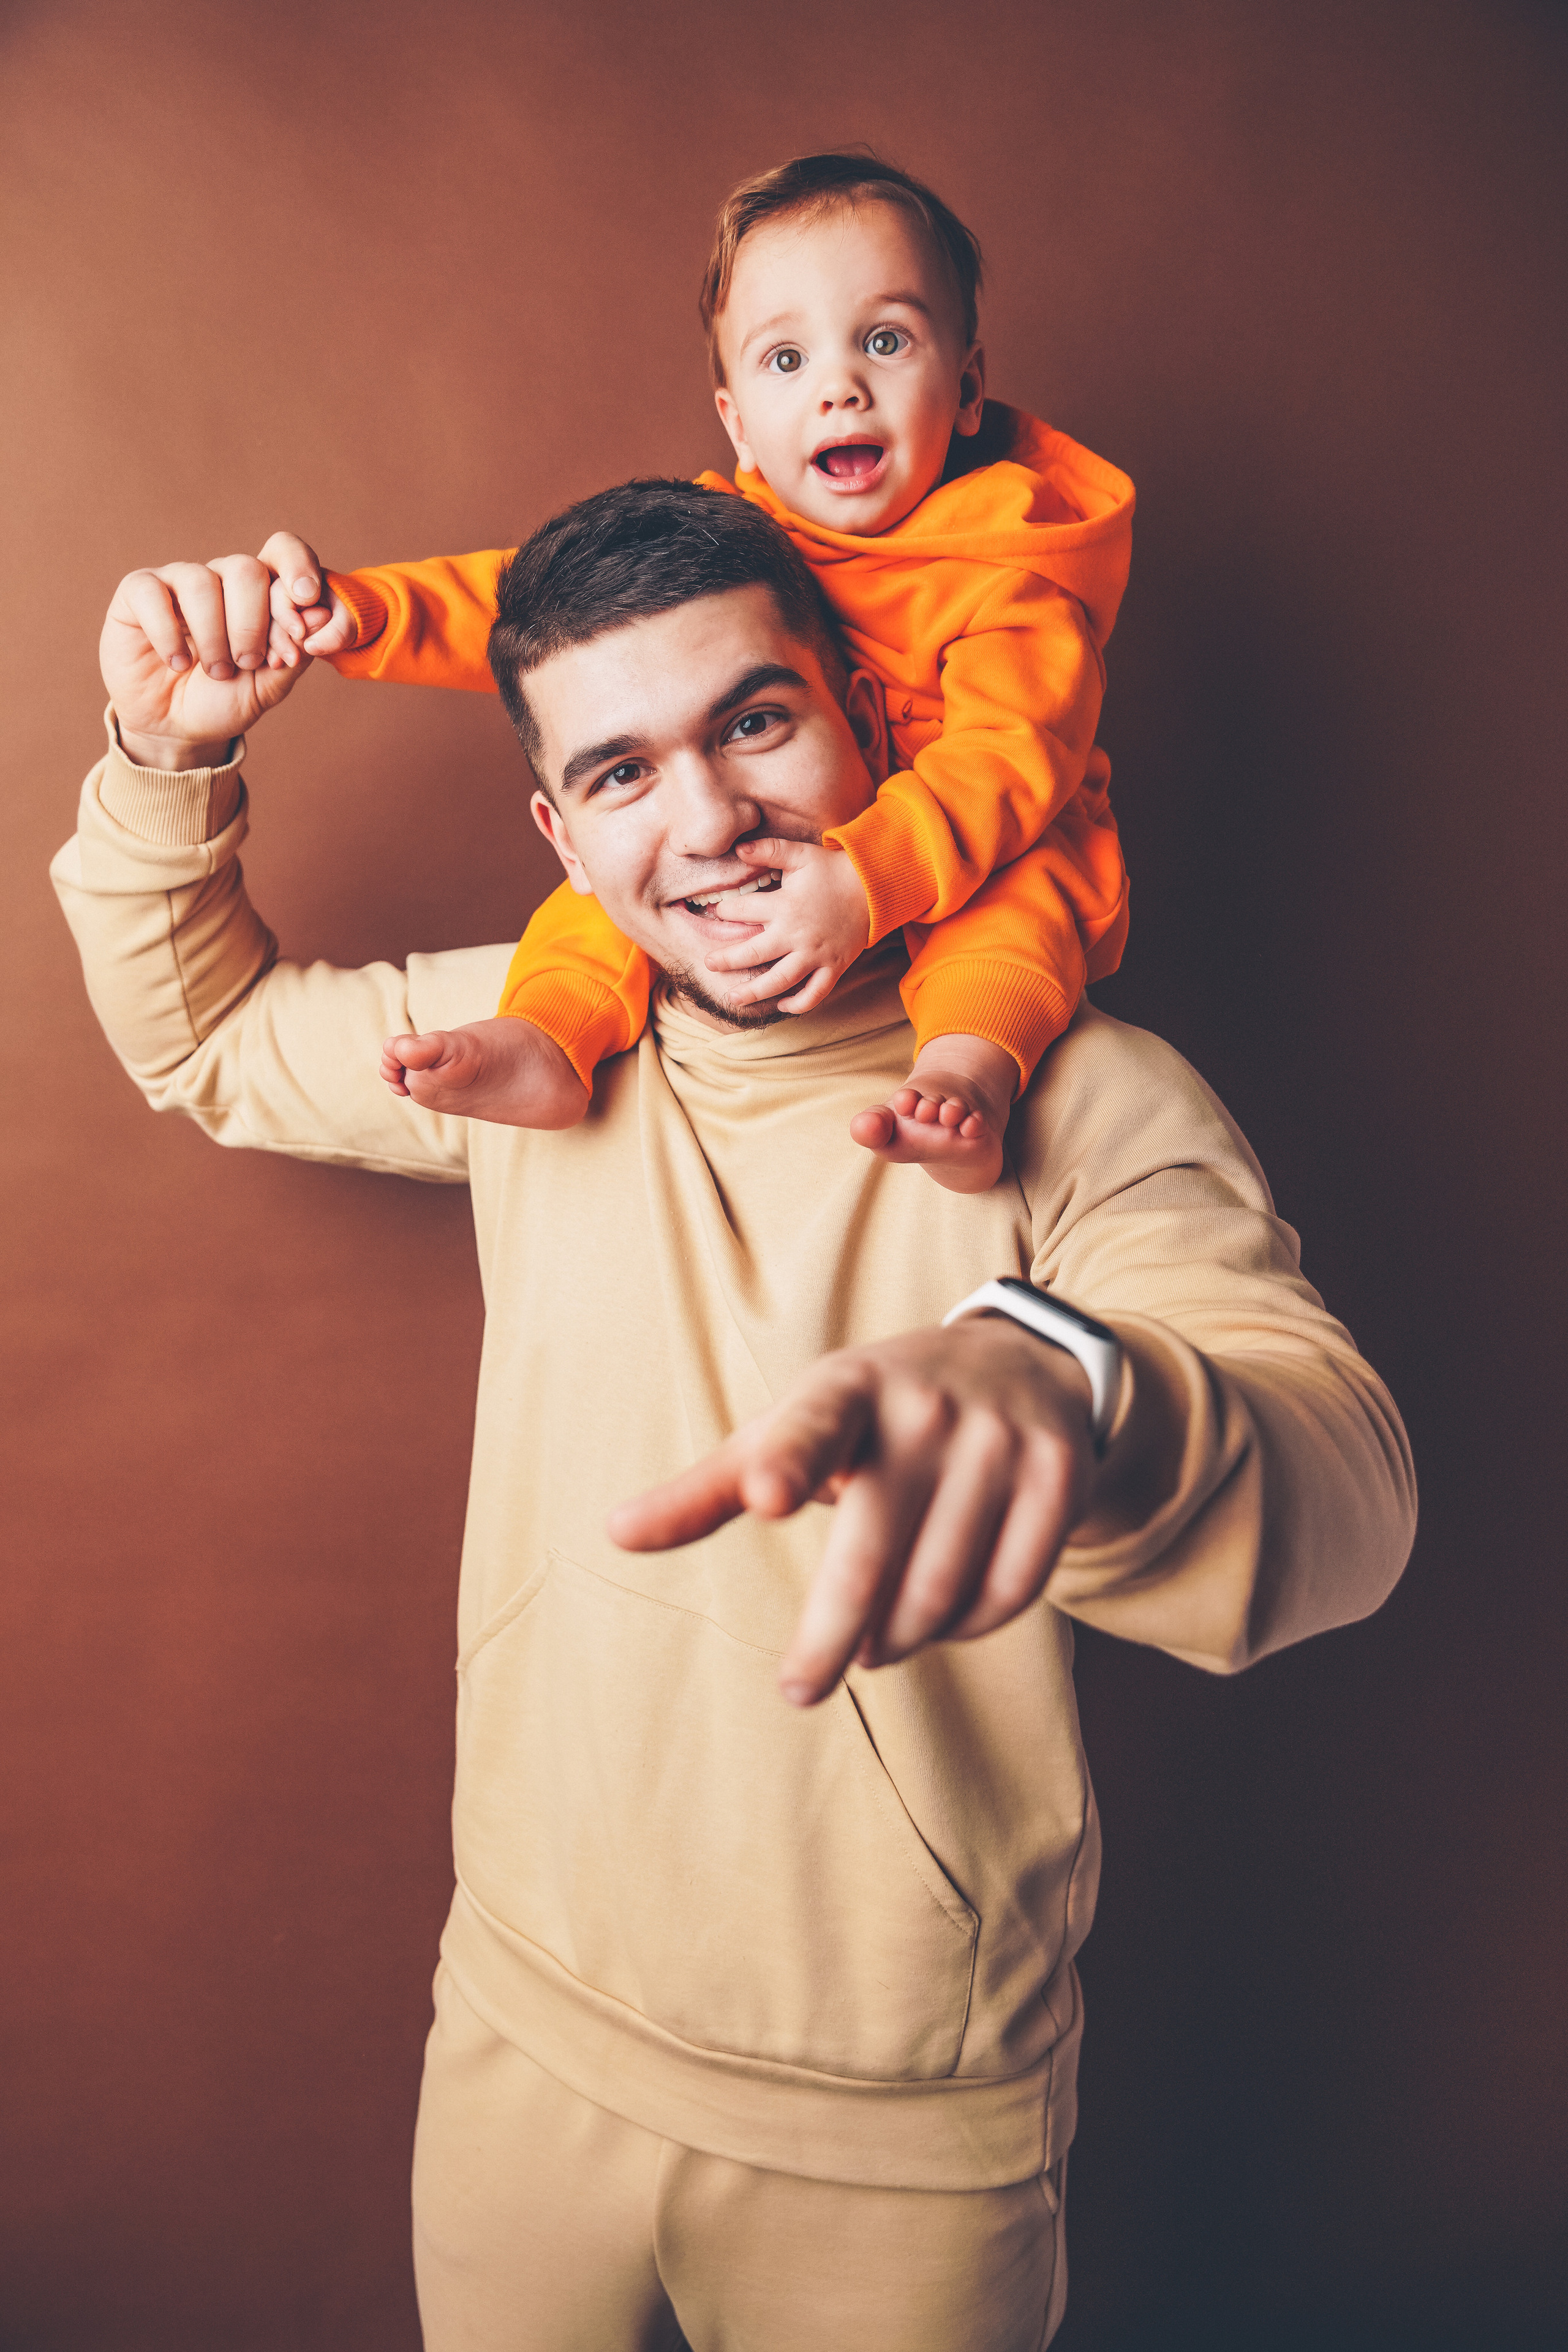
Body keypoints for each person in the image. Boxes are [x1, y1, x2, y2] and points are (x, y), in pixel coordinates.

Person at [57, 477, 1415, 2351]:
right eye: (619, 774)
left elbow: (1346, 1487)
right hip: (520, 2031)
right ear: (559, 829)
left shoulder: (1084, 1103)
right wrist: (160, 756)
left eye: (754, 724)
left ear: (867, 717)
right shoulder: (525, 1060)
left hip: (897, 2137)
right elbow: (200, 1039)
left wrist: (1073, 1383)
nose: (705, 823)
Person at [262, 152, 1136, 1193]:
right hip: (792, 856)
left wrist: (866, 881)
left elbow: (1004, 763)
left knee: (1015, 908)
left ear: (969, 389)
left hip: (973, 846)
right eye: (785, 361)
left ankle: (965, 1083)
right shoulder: (739, 535)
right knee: (619, 873)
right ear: (735, 423)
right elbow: (540, 611)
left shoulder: (1014, 582)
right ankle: (550, 1039)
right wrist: (362, 614)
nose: (839, 387)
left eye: (887, 341)